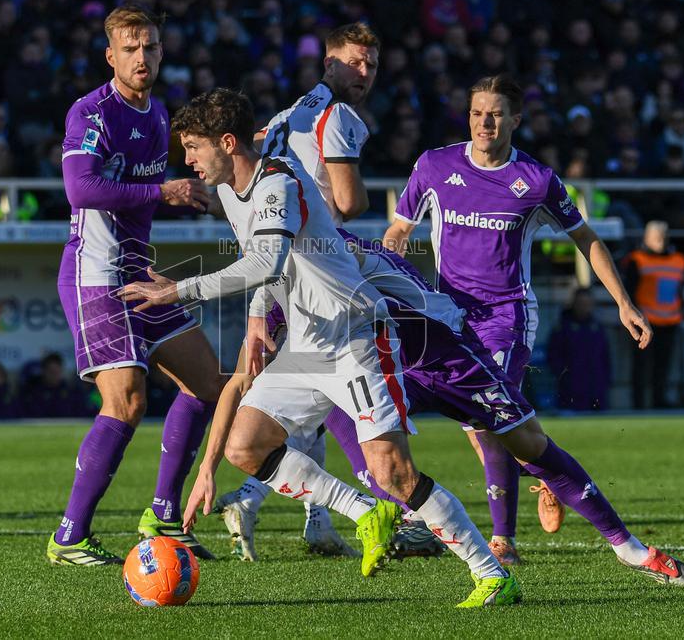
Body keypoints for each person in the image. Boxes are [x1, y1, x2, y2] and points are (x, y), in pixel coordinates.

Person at [126, 88, 521, 607]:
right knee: (245, 446)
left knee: (394, 473)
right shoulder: (229, 191)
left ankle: (493, 574)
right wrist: (253, 323)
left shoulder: (278, 183)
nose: (190, 160)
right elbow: (264, 259)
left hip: (355, 336)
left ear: (228, 142)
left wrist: (177, 289)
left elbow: (265, 262)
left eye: (195, 147)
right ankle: (365, 513)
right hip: (306, 342)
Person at [382, 74, 654, 565]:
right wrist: (388, 277)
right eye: (477, 113)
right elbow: (398, 232)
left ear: (515, 120)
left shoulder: (536, 180)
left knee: (489, 420)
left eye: (496, 113)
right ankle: (545, 472)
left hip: (507, 316)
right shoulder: (435, 166)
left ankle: (503, 541)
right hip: (447, 320)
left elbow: (586, 239)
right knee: (458, 418)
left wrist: (624, 302)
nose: (485, 122)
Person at [217, 22, 442, 560]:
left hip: (280, 272)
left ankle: (297, 513)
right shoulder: (337, 117)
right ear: (329, 61)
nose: (363, 73)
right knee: (340, 397)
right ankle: (391, 509)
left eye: (371, 64)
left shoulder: (283, 116)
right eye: (353, 62)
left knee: (305, 404)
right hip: (316, 271)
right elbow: (346, 203)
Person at [45, 5, 225, 567]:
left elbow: (153, 193)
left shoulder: (159, 115)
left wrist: (199, 196)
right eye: (129, 49)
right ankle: (70, 536)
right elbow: (82, 190)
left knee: (210, 386)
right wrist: (163, 194)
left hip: (137, 271)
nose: (140, 57)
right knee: (125, 401)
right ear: (110, 56)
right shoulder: (91, 112)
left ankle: (164, 515)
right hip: (95, 275)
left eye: (149, 47)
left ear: (160, 51)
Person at [622, 221, 684, 410]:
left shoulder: (679, 260)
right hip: (645, 323)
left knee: (663, 368)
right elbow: (630, 292)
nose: (661, 239)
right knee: (641, 368)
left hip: (670, 321)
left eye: (664, 235)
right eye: (657, 235)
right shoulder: (637, 259)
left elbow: (681, 291)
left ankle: (659, 404)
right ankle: (639, 406)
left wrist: (683, 312)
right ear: (646, 238)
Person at [547, 288, 611, 412]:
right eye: (581, 304)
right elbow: (553, 356)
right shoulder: (562, 328)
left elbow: (605, 356)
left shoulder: (597, 328)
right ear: (574, 304)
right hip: (570, 389)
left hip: (596, 389)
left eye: (587, 304)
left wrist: (606, 380)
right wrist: (564, 377)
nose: (584, 307)